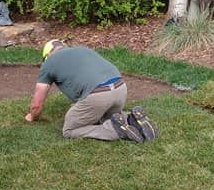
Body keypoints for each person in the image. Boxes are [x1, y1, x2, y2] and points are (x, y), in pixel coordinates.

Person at [25, 39, 159, 142]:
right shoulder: (84, 50)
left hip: (98, 95)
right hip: (120, 88)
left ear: (47, 56)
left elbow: (37, 104)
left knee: (70, 130)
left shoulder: (49, 63)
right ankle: (130, 118)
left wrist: (32, 116)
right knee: (102, 116)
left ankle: (114, 131)